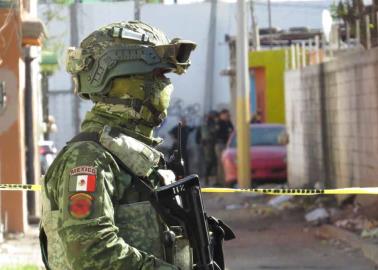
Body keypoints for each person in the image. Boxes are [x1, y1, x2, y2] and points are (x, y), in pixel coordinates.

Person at [39, 21, 196, 270]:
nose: (166, 85)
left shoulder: (129, 153)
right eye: (158, 75)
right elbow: (91, 254)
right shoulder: (88, 158)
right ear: (122, 80)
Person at [197, 111, 218, 186]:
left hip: (211, 144)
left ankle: (209, 179)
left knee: (212, 162)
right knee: (210, 162)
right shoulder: (208, 124)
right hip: (208, 145)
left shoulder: (208, 123)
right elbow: (199, 135)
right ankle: (207, 179)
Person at [214, 109, 233, 186]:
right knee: (221, 163)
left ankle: (226, 180)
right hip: (220, 144)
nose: (228, 116)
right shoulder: (219, 123)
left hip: (227, 145)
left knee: (227, 163)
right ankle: (222, 181)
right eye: (226, 115)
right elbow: (217, 134)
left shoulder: (228, 122)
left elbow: (232, 131)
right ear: (222, 115)